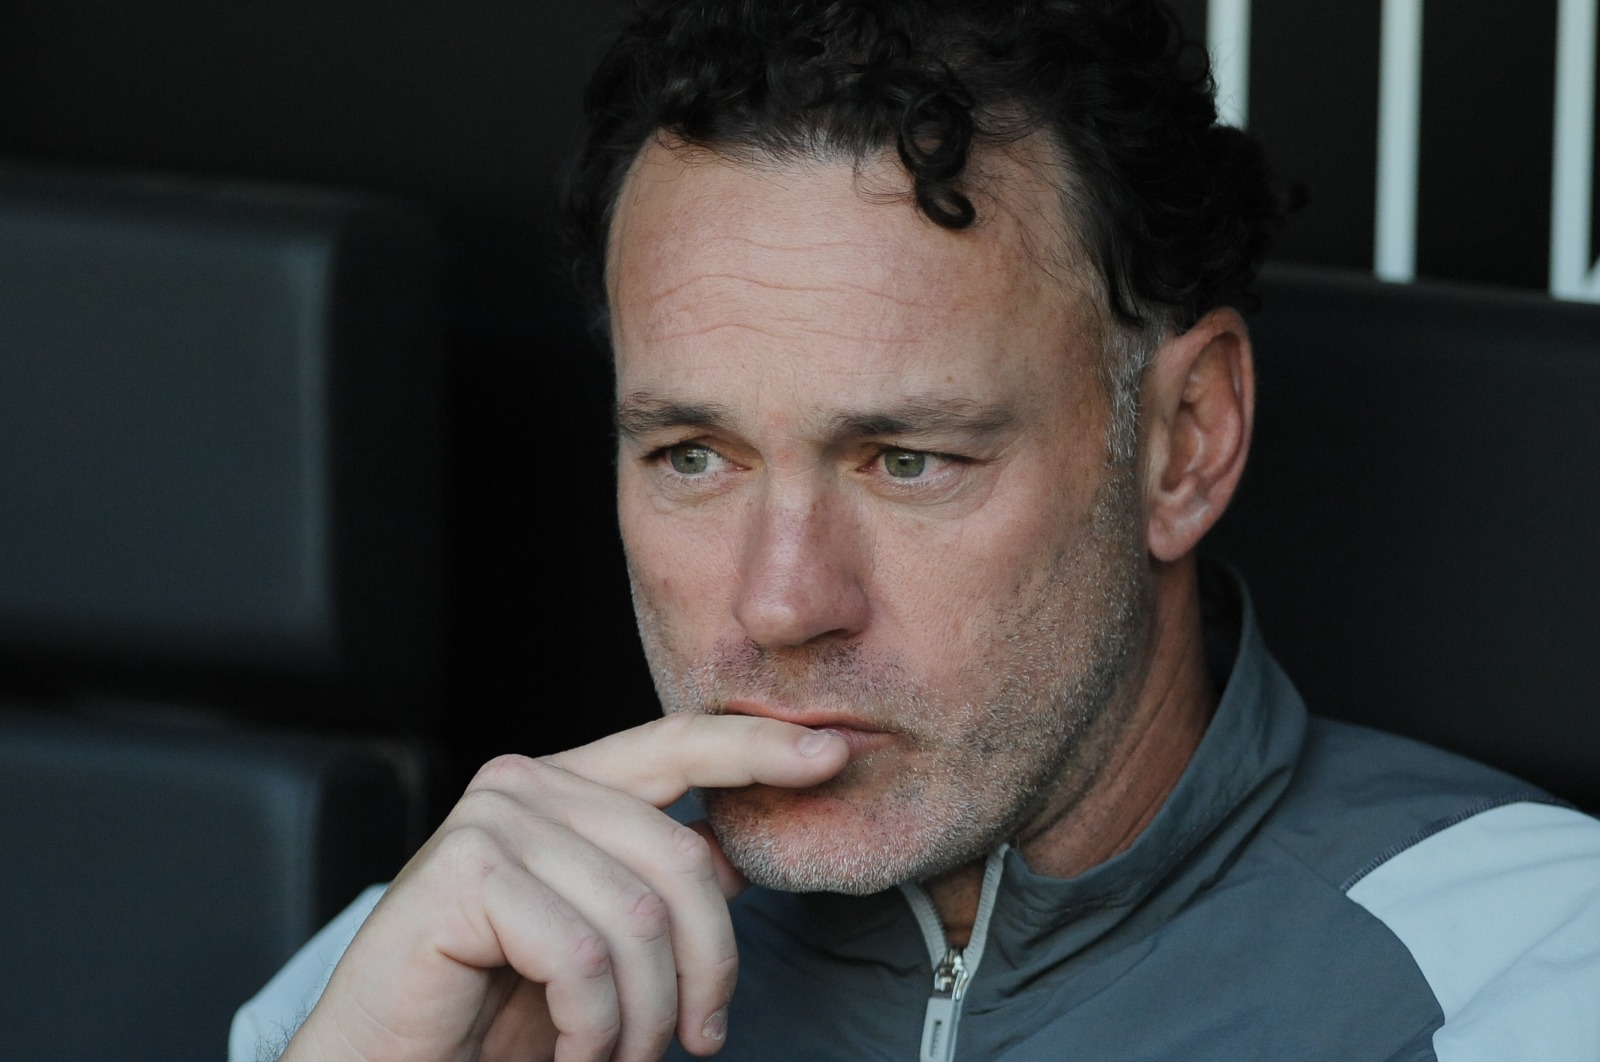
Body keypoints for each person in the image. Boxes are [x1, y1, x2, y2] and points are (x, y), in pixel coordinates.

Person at [233, 1, 1600, 1059]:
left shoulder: (1528, 971)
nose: (779, 602)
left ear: (1184, 443)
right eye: (693, 454)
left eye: (905, 459)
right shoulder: (431, 977)